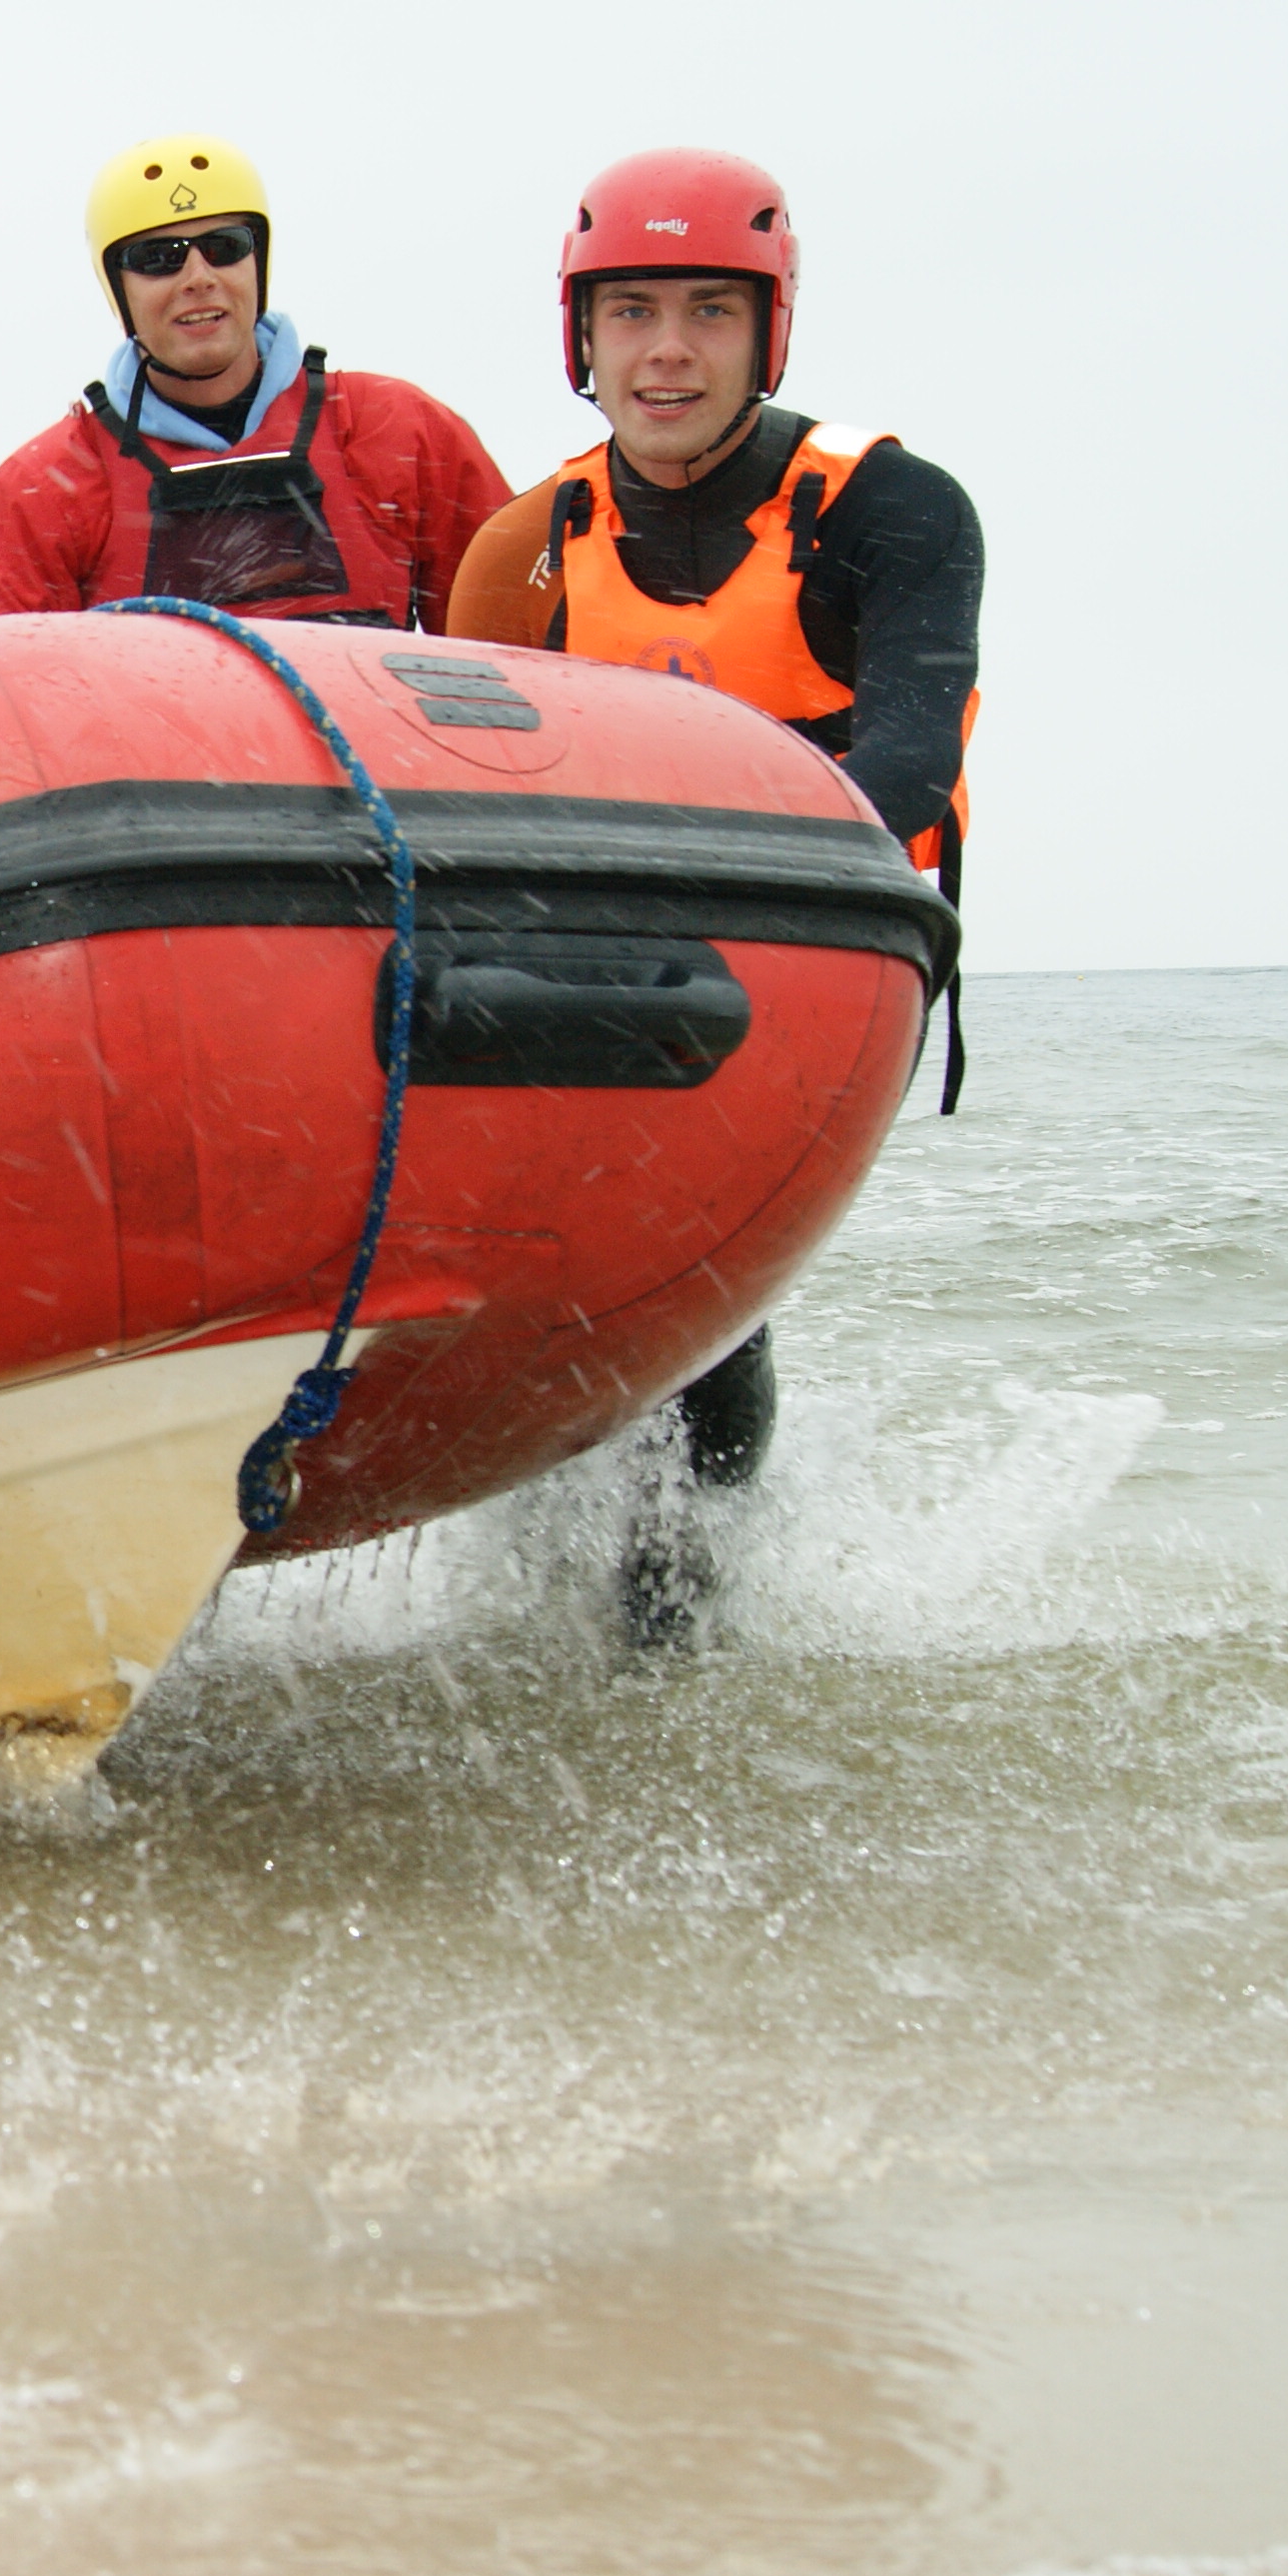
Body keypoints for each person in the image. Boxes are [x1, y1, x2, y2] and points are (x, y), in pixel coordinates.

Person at [443, 147, 983, 1639]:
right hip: (595, 959)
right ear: (582, 338)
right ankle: (536, 1549)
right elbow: (473, 805)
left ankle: (683, 1603)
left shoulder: (894, 511)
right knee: (542, 1259)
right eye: (628, 314)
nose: (665, 352)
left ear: (769, 331)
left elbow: (910, 773)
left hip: (824, 956)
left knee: (690, 1273)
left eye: (705, 313)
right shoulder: (527, 549)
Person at [0, 133, 514, 632]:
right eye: (158, 258)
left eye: (225, 248)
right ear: (116, 287)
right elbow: (1, 712)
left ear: (257, 262)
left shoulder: (397, 433)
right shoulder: (46, 494)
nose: (199, 278)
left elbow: (517, 656)